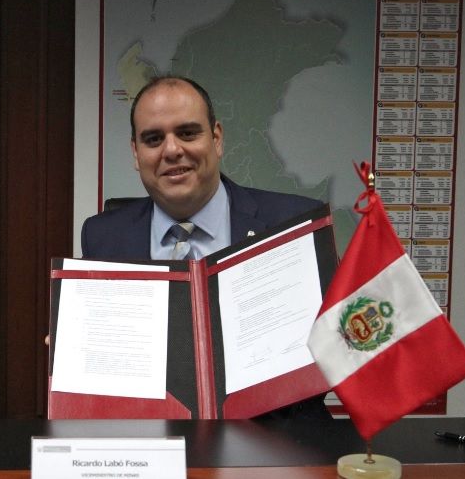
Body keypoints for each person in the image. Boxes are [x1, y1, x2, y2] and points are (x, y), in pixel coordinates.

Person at [80, 76, 329, 421]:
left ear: (216, 138)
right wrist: (77, 348)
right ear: (136, 153)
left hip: (276, 437)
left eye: (187, 133)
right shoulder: (103, 236)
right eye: (153, 139)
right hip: (150, 438)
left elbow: (332, 359)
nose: (171, 150)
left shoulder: (294, 223)